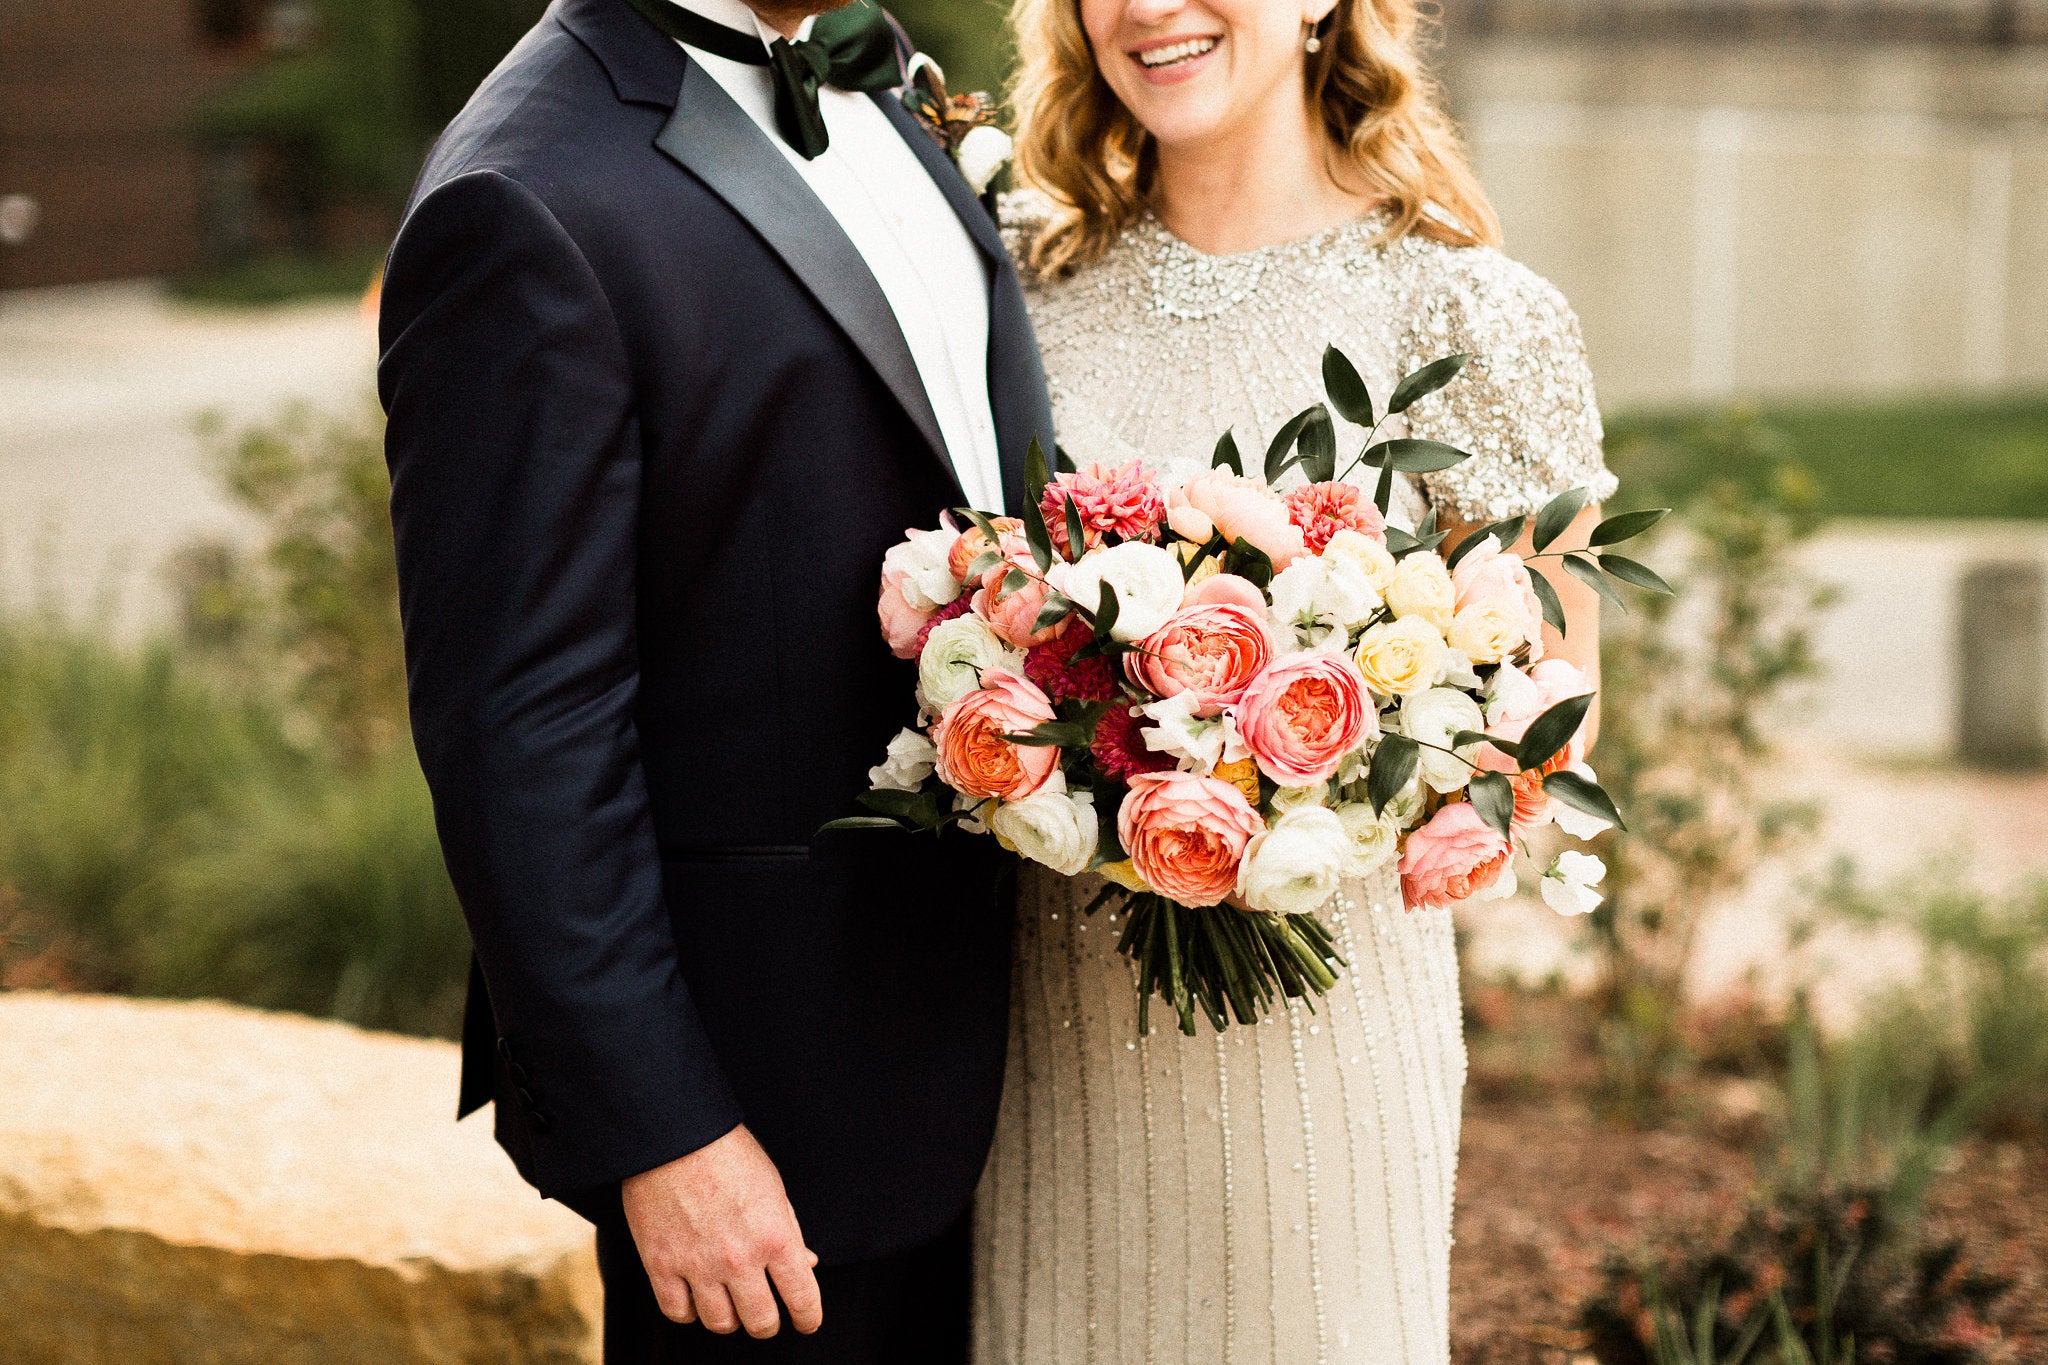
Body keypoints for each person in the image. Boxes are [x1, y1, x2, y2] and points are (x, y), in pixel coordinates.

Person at [376, 0, 1051, 1360]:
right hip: (773, 1128)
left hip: (1005, 1071)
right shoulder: (525, 197)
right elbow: (520, 726)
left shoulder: (884, 81)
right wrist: (665, 1130)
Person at [972, 0, 1616, 1359]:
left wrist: (1343, 781)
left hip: (1327, 1041)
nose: (1148, 8)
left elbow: (1552, 714)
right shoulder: (1015, 291)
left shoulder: (1470, 312)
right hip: (1049, 1037)